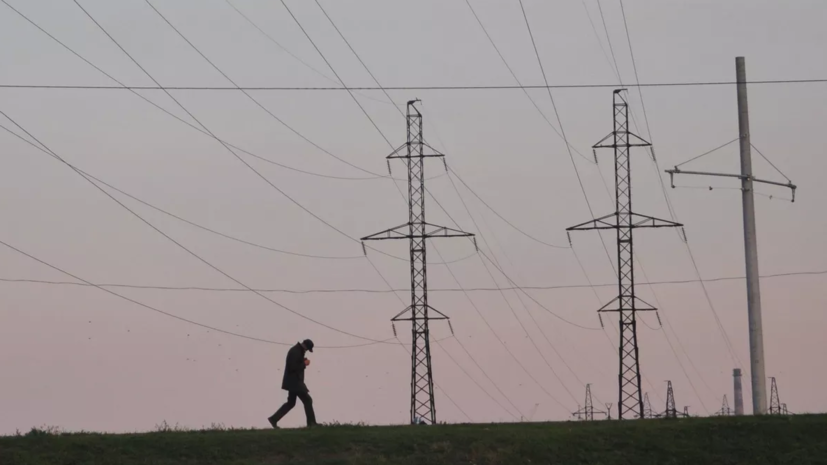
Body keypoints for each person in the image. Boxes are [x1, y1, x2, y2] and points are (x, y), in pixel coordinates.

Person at [268, 339, 317, 428]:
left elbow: (295, 363)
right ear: (305, 346)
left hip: (293, 382)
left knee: (291, 403)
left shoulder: (297, 350)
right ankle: (311, 423)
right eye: (307, 349)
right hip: (295, 382)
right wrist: (304, 364)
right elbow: (293, 367)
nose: (306, 351)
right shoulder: (295, 351)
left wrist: (302, 361)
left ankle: (274, 419)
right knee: (307, 400)